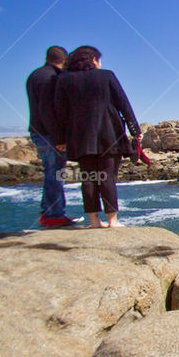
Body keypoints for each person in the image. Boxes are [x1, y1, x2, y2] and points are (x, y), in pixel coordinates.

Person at [56, 46, 141, 228]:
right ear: (93, 60)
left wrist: (62, 138)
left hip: (80, 135)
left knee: (88, 177)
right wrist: (135, 131)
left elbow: (61, 112)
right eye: (99, 60)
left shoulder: (64, 79)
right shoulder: (106, 76)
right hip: (109, 133)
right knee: (108, 176)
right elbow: (124, 104)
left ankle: (94, 221)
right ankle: (112, 220)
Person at [26, 45, 78, 227]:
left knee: (51, 172)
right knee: (56, 173)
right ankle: (55, 215)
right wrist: (60, 138)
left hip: (37, 131)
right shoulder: (53, 77)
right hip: (49, 134)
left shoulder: (34, 75)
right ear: (64, 61)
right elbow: (48, 110)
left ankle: (48, 212)